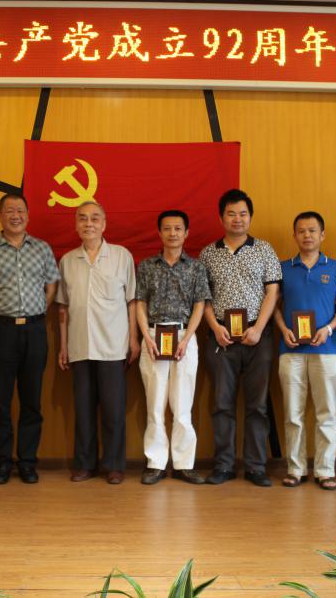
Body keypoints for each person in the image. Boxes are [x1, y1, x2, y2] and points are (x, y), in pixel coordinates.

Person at [0, 193, 60, 485]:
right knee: (0, 400)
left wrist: (37, 312)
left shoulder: (42, 248)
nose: (15, 216)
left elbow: (51, 286)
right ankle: (1, 462)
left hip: (35, 330)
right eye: (9, 211)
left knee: (31, 400)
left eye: (20, 210)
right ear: (0, 215)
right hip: (1, 331)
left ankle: (27, 462)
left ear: (28, 215)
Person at [199, 189, 282, 487]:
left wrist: (258, 328)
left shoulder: (265, 250)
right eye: (231, 213)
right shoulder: (208, 253)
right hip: (221, 335)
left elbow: (273, 292)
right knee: (222, 403)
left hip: (258, 334)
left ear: (250, 217)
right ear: (221, 217)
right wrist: (214, 327)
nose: (237, 219)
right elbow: (203, 297)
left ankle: (256, 467)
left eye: (243, 213)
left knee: (257, 405)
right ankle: (223, 465)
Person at [56, 201, 139, 485]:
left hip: (113, 346)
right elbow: (63, 307)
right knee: (83, 409)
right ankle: (84, 464)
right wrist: (63, 345)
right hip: (80, 345)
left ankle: (114, 465)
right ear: (76, 224)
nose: (88, 223)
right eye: (82, 219)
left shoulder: (121, 256)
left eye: (94, 219)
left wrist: (134, 339)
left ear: (104, 224)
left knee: (113, 410)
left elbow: (132, 301)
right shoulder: (68, 261)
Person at [272, 211, 336, 491]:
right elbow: (274, 306)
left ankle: (325, 470)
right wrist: (283, 329)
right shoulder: (282, 268)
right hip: (290, 349)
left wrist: (328, 329)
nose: (307, 235)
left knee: (326, 412)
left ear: (322, 235)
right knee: (292, 413)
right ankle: (295, 468)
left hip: (326, 350)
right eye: (302, 231)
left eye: (312, 230)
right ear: (294, 235)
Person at [135, 210, 211, 485]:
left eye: (178, 228)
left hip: (184, 337)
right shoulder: (147, 266)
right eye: (167, 228)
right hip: (153, 336)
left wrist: (187, 338)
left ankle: (183, 464)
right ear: (159, 232)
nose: (172, 233)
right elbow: (140, 303)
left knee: (182, 405)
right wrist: (146, 336)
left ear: (186, 233)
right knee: (155, 404)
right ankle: (155, 463)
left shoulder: (196, 267)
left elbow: (200, 305)